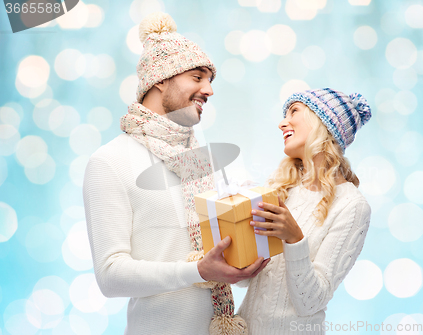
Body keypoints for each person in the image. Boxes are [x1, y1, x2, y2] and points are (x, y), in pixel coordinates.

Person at [83, 12, 267, 335]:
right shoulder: (110, 161)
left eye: (210, 80)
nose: (209, 89)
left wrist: (247, 260)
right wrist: (196, 270)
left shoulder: (203, 159)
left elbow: (222, 257)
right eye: (198, 77)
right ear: (160, 79)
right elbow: (110, 276)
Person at [237, 88, 373, 334]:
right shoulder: (280, 188)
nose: (282, 123)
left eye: (294, 111)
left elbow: (311, 301)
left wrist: (294, 238)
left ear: (322, 123)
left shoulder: (352, 206)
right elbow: (247, 280)